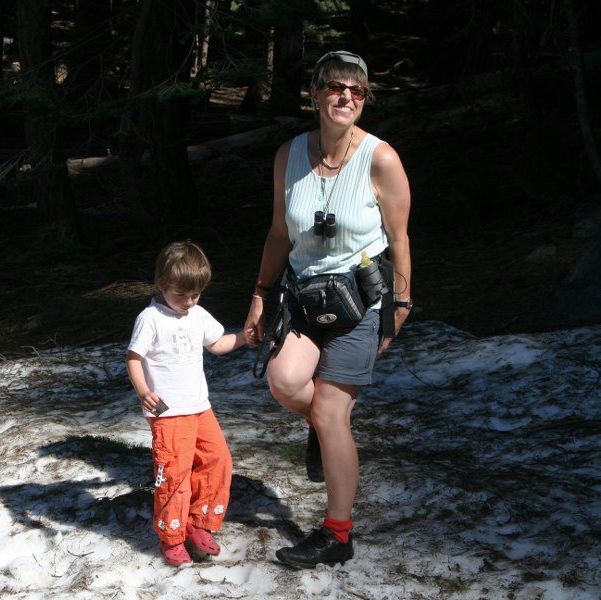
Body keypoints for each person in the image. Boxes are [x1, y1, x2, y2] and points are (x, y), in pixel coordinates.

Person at [244, 50, 412, 568]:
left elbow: (399, 238)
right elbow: (278, 232)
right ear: (315, 94)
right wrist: (259, 295)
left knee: (332, 410)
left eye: (357, 91)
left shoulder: (380, 158)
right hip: (304, 296)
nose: (346, 98)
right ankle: (320, 429)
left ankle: (338, 535)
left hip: (360, 300)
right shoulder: (289, 154)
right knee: (285, 382)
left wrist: (401, 302)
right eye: (336, 87)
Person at [127, 241, 248, 567]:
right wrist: (143, 391)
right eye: (182, 295)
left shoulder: (197, 313)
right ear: (162, 284)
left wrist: (246, 337)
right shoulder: (150, 318)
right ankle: (172, 536)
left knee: (218, 460)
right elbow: (134, 358)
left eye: (195, 295)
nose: (189, 302)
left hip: (200, 406)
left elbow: (218, 343)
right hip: (168, 412)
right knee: (174, 474)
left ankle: (198, 521)